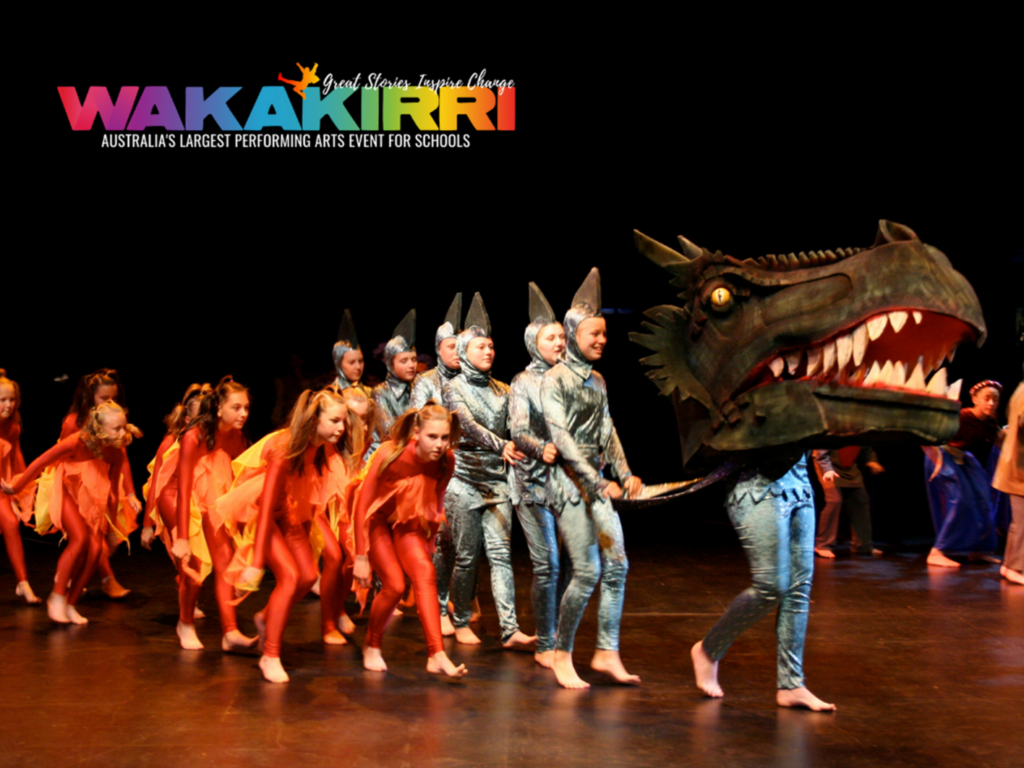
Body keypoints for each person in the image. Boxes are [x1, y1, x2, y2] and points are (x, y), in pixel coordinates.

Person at [218, 387, 362, 682]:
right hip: (263, 511)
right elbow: (267, 505)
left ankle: (266, 617)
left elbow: (309, 493)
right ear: (315, 420)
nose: (341, 427)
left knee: (308, 576)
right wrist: (256, 562)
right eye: (335, 420)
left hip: (290, 511)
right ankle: (270, 655)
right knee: (290, 576)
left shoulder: (322, 447)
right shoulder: (286, 446)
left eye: (343, 421)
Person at [541, 269, 642, 689]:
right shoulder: (553, 379)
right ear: (573, 335)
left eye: (604, 334)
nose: (601, 340)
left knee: (617, 564)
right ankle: (562, 653)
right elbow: (562, 439)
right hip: (567, 484)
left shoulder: (598, 381)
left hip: (596, 482)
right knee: (586, 571)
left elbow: (606, 429)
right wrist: (598, 481)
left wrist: (625, 472)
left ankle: (606, 651)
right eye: (593, 334)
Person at [443, 292, 535, 650]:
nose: (488, 351)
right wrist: (502, 445)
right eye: (480, 346)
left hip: (497, 482)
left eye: (491, 346)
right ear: (464, 353)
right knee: (466, 557)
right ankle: (460, 620)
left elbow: (520, 427)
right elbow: (467, 425)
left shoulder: (504, 390)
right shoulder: (453, 388)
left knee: (501, 556)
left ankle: (509, 629)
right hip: (463, 481)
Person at [351, 403, 467, 678]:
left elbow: (436, 502)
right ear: (416, 433)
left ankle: (436, 654)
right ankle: (372, 644)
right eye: (432, 437)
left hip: (408, 519)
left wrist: (430, 542)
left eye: (444, 438)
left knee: (425, 571)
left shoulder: (446, 460)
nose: (439, 444)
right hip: (375, 519)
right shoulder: (390, 453)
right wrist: (361, 556)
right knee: (394, 585)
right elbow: (362, 506)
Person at [2, 401, 140, 624]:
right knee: (80, 538)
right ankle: (56, 597)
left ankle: (70, 603)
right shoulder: (77, 442)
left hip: (91, 496)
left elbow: (113, 491)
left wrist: (111, 530)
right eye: (117, 429)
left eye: (124, 427)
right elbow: (40, 462)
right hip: (66, 489)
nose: (123, 433)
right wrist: (16, 487)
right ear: (100, 429)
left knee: (95, 550)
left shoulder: (116, 450)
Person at [170, 376, 258, 651]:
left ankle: (230, 632)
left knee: (225, 562)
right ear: (219, 408)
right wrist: (182, 537)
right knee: (195, 565)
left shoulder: (237, 435)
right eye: (236, 407)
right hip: (182, 498)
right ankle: (185, 623)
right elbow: (183, 488)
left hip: (214, 498)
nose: (243, 413)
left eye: (246, 407)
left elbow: (239, 479)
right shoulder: (194, 435)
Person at [40, 369, 141, 599]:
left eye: (114, 398)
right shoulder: (74, 422)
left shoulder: (113, 421)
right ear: (89, 397)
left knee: (96, 537)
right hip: (75, 483)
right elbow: (61, 456)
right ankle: (100, 580)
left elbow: (121, 456)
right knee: (87, 537)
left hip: (102, 481)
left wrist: (130, 492)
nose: (110, 403)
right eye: (104, 398)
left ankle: (71, 582)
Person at [509, 283, 567, 669]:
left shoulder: (574, 378)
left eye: (562, 337)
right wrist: (539, 448)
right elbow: (518, 430)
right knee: (548, 563)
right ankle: (545, 641)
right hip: (532, 481)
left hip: (568, 483)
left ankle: (559, 633)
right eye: (551, 338)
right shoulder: (522, 381)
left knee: (573, 564)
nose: (559, 343)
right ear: (534, 343)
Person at [923, 380, 1004, 567]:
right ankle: (937, 552)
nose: (991, 403)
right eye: (987, 398)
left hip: (963, 458)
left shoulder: (991, 420)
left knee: (984, 499)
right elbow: (926, 435)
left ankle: (978, 550)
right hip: (942, 455)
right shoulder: (961, 416)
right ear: (975, 399)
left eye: (995, 399)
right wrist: (936, 460)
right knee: (959, 500)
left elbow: (1000, 442)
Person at [0, 370, 42, 604]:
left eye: (11, 400)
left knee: (11, 523)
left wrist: (17, 493)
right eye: (2, 400)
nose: (8, 405)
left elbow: (15, 461)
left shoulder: (12, 426)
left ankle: (23, 583)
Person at [811, 447, 883, 558]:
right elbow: (821, 453)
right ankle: (823, 545)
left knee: (860, 500)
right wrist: (827, 469)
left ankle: (863, 546)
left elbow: (866, 447)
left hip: (849, 468)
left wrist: (871, 460)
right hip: (827, 464)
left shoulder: (860, 436)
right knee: (834, 500)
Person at [992, 367, 1023, 585]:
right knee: (1021, 522)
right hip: (1019, 466)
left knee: (1019, 520)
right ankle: (1015, 567)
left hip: (1016, 464)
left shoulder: (1021, 389)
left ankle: (1010, 565)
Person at [371, 309, 418, 450]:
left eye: (414, 359)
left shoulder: (418, 388)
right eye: (404, 361)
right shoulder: (381, 392)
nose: (411, 365)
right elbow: (388, 430)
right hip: (386, 451)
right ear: (390, 364)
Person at [332, 309, 373, 397]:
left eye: (360, 361)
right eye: (351, 362)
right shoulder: (330, 395)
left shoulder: (371, 394)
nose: (358, 367)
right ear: (339, 364)